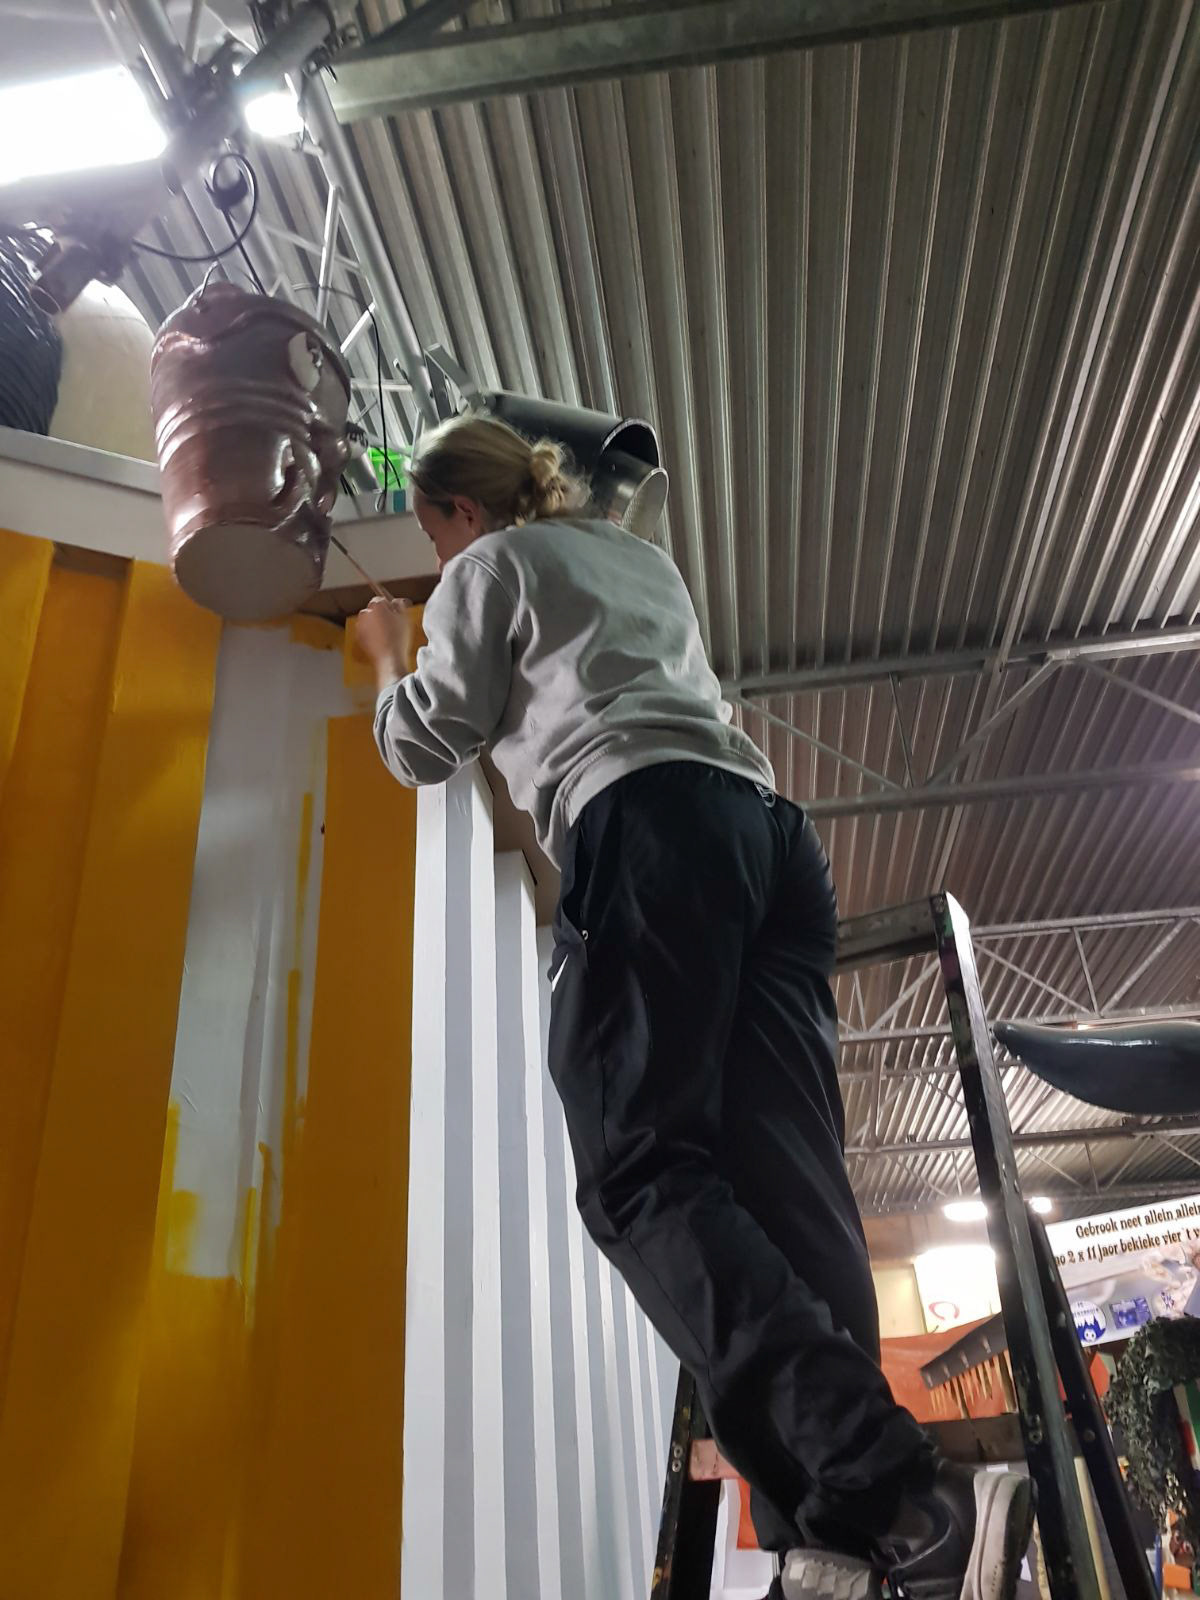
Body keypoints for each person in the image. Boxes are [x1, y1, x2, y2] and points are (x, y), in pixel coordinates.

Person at [355, 413, 1034, 1600]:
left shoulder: (488, 566)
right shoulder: (636, 559)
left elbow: (424, 740)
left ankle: (902, 1490)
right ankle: (848, 1538)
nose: (438, 552)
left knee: (638, 1174)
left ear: (457, 510)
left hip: (647, 824)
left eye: (433, 530)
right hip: (767, 836)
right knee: (787, 1182)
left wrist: (382, 655)